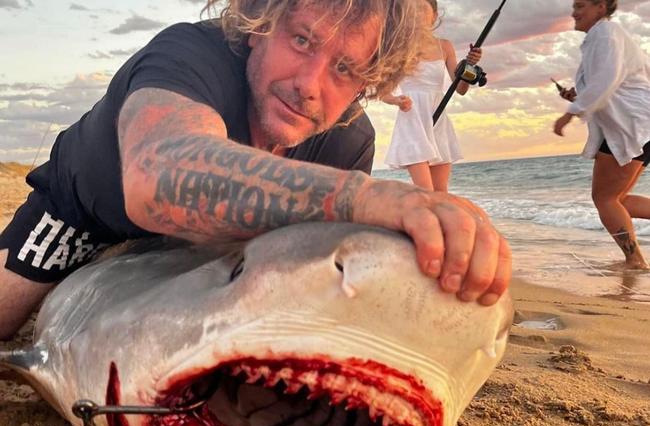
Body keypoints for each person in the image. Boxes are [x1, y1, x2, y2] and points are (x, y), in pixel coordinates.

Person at [0, 0, 512, 341]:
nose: (309, 85)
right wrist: (372, 199)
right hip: (86, 214)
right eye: (303, 41)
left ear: (366, 83)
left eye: (344, 68)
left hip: (208, 254)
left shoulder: (348, 139)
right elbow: (157, 179)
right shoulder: (189, 54)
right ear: (259, 24)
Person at [554, 0, 650, 269]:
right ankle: (634, 259)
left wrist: (570, 112)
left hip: (630, 126)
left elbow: (608, 78)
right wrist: (577, 95)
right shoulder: (602, 37)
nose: (574, 12)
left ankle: (635, 261)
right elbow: (610, 82)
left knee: (604, 199)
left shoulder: (606, 33)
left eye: (580, 5)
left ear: (601, 7)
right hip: (636, 125)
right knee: (618, 200)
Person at [382, 0, 482, 192]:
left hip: (438, 118)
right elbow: (384, 91)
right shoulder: (398, 48)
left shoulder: (445, 47)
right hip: (412, 120)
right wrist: (396, 100)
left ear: (434, 15)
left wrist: (469, 66)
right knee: (426, 193)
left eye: (421, 9)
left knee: (441, 193)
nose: (415, 14)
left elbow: (460, 89)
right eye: (410, 10)